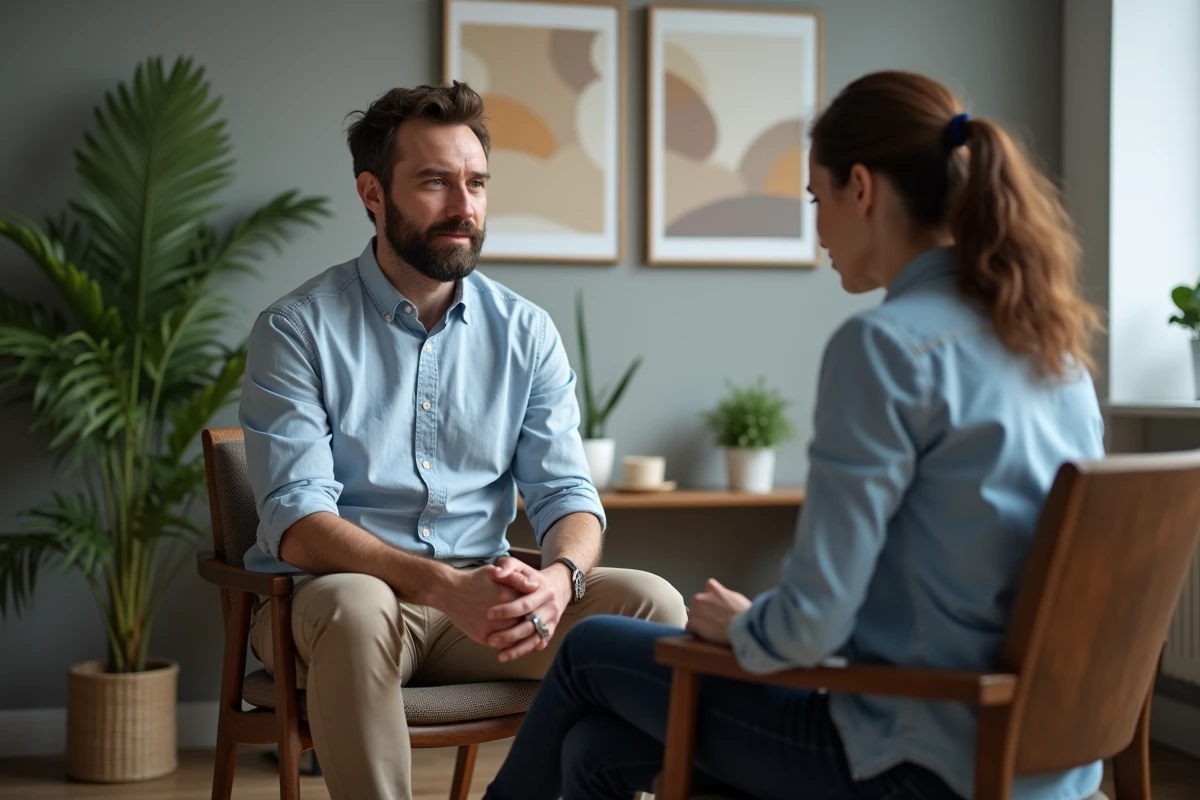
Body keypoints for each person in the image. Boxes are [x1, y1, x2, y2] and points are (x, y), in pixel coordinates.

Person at [484, 70, 1106, 800]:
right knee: (595, 748)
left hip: (912, 759)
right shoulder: (1052, 352)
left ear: (862, 189)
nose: (818, 232)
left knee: (590, 645)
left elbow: (811, 626)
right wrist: (772, 625)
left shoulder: (887, 348)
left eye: (817, 200)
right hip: (1033, 761)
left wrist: (745, 629)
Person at [238, 81, 687, 800]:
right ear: (373, 193)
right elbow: (297, 520)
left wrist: (558, 580)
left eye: (476, 183)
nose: (464, 206)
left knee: (650, 604)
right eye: (434, 182)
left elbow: (567, 494)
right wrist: (445, 588)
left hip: (478, 610)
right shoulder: (297, 329)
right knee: (357, 607)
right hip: (331, 606)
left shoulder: (526, 332)